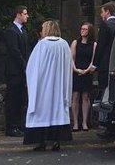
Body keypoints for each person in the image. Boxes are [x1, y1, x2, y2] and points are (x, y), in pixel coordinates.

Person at [24, 20, 72, 151]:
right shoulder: (64, 44)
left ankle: (41, 141)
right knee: (57, 111)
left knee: (42, 112)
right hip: (59, 86)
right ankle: (56, 140)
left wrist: (34, 85)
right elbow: (68, 66)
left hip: (43, 87)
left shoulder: (41, 45)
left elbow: (32, 67)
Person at [2, 5, 32, 137]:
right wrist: (25, 66)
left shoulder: (23, 31)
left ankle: (19, 125)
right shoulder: (11, 31)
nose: (27, 16)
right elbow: (15, 52)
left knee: (20, 99)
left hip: (21, 71)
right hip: (14, 71)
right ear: (18, 14)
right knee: (13, 99)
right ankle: (11, 126)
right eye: (25, 14)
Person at [71, 22, 97, 131]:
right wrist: (76, 69)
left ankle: (85, 122)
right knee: (75, 96)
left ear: (89, 31)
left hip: (87, 72)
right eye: (82, 29)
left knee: (85, 97)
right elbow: (71, 58)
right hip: (76, 71)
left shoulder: (94, 45)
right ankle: (75, 123)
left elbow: (93, 60)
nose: (83, 31)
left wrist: (86, 70)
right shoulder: (75, 43)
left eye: (85, 29)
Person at [95, 2, 115, 93]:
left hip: (104, 63)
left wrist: (95, 63)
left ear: (107, 12)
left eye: (102, 12)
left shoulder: (105, 25)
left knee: (103, 89)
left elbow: (100, 46)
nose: (101, 15)